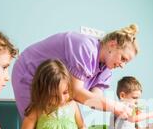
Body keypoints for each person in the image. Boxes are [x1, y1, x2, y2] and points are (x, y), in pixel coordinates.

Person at [12, 24, 140, 120]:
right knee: (37, 124)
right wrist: (114, 106)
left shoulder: (106, 69)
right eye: (123, 58)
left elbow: (93, 101)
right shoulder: (85, 47)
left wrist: (121, 108)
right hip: (29, 73)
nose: (122, 65)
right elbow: (76, 92)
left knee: (56, 127)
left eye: (126, 62)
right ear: (112, 44)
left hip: (53, 87)